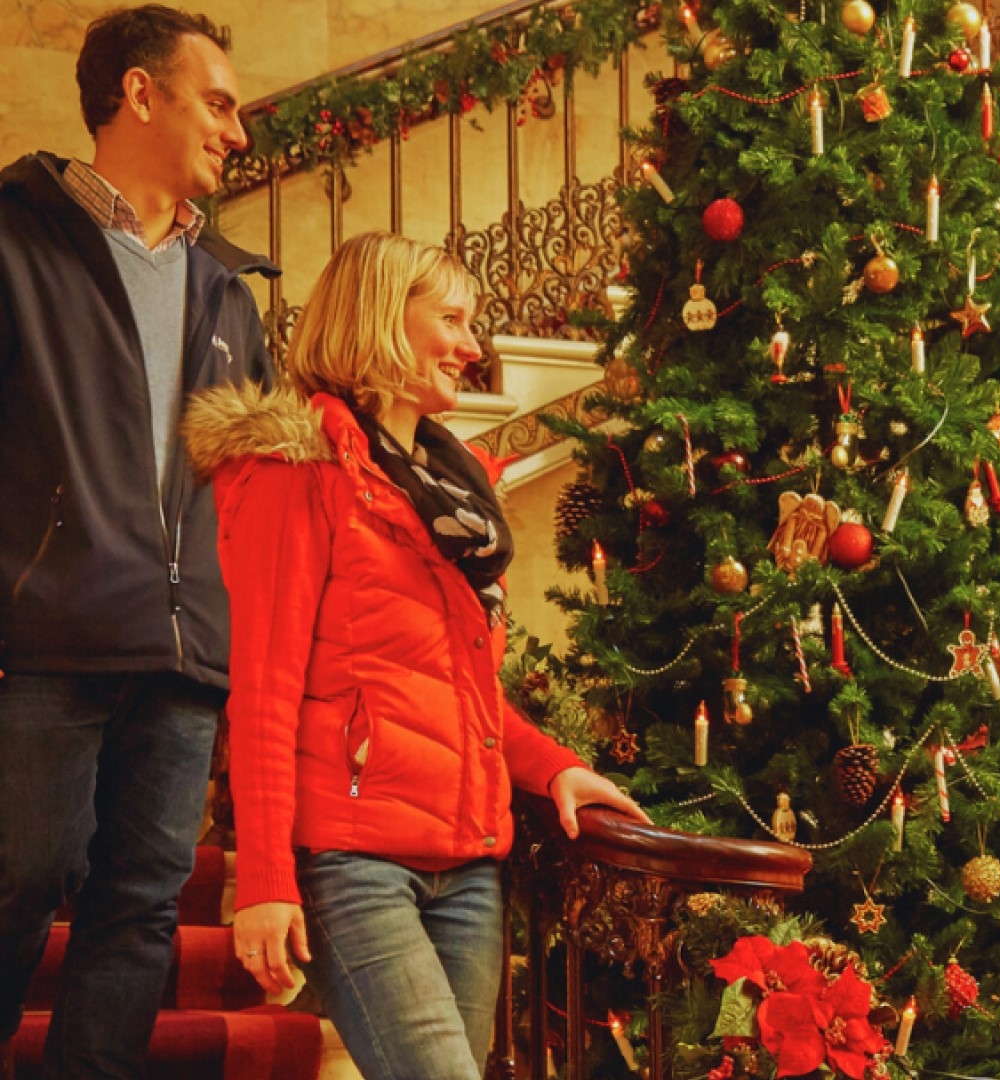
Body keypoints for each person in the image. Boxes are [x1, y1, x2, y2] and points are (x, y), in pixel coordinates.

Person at [181, 231, 647, 1080]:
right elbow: (263, 688)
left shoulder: (454, 485)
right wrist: (265, 883)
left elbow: (460, 693)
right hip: (355, 858)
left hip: (469, 863)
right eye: (454, 320)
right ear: (380, 319)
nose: (474, 348)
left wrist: (552, 770)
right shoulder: (298, 468)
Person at [0, 7, 271, 1076]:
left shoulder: (230, 292)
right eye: (219, 102)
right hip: (46, 632)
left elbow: (242, 492)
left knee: (141, 913)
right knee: (20, 874)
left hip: (186, 654)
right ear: (139, 94)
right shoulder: (16, 241)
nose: (237, 132)